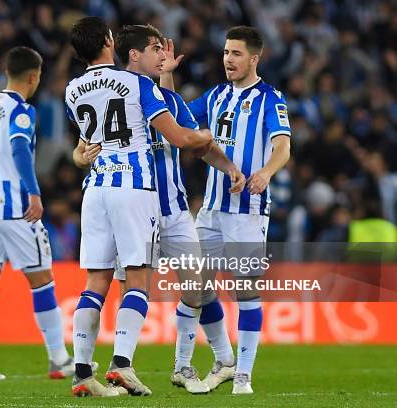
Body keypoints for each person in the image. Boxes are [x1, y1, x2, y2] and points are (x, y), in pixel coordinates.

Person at [67, 16, 213, 397]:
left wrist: (81, 159)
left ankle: (82, 373)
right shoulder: (136, 83)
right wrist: (206, 135)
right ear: (107, 41)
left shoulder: (73, 90)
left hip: (95, 189)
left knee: (95, 283)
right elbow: (178, 137)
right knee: (137, 278)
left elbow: (85, 148)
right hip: (134, 188)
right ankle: (121, 365)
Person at [109, 25, 246, 395]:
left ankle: (197, 364)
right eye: (154, 48)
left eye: (161, 49)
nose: (161, 54)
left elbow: (200, 145)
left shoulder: (167, 100)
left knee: (197, 286)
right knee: (133, 289)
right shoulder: (116, 98)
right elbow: (192, 138)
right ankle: (122, 367)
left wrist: (230, 167)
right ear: (135, 55)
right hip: (134, 208)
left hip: (173, 210)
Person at [162, 25, 291, 394]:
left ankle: (243, 376)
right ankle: (204, 363)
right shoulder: (216, 95)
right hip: (212, 209)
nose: (228, 60)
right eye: (225, 52)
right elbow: (176, 118)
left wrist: (266, 172)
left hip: (248, 211)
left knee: (245, 291)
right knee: (197, 287)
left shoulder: (270, 98)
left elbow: (282, 144)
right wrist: (168, 73)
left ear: (254, 58)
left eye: (236, 53)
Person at [0, 46, 84, 381]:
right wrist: (34, 192)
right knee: (42, 281)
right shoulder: (22, 110)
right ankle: (59, 360)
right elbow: (17, 148)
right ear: (34, 76)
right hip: (15, 209)